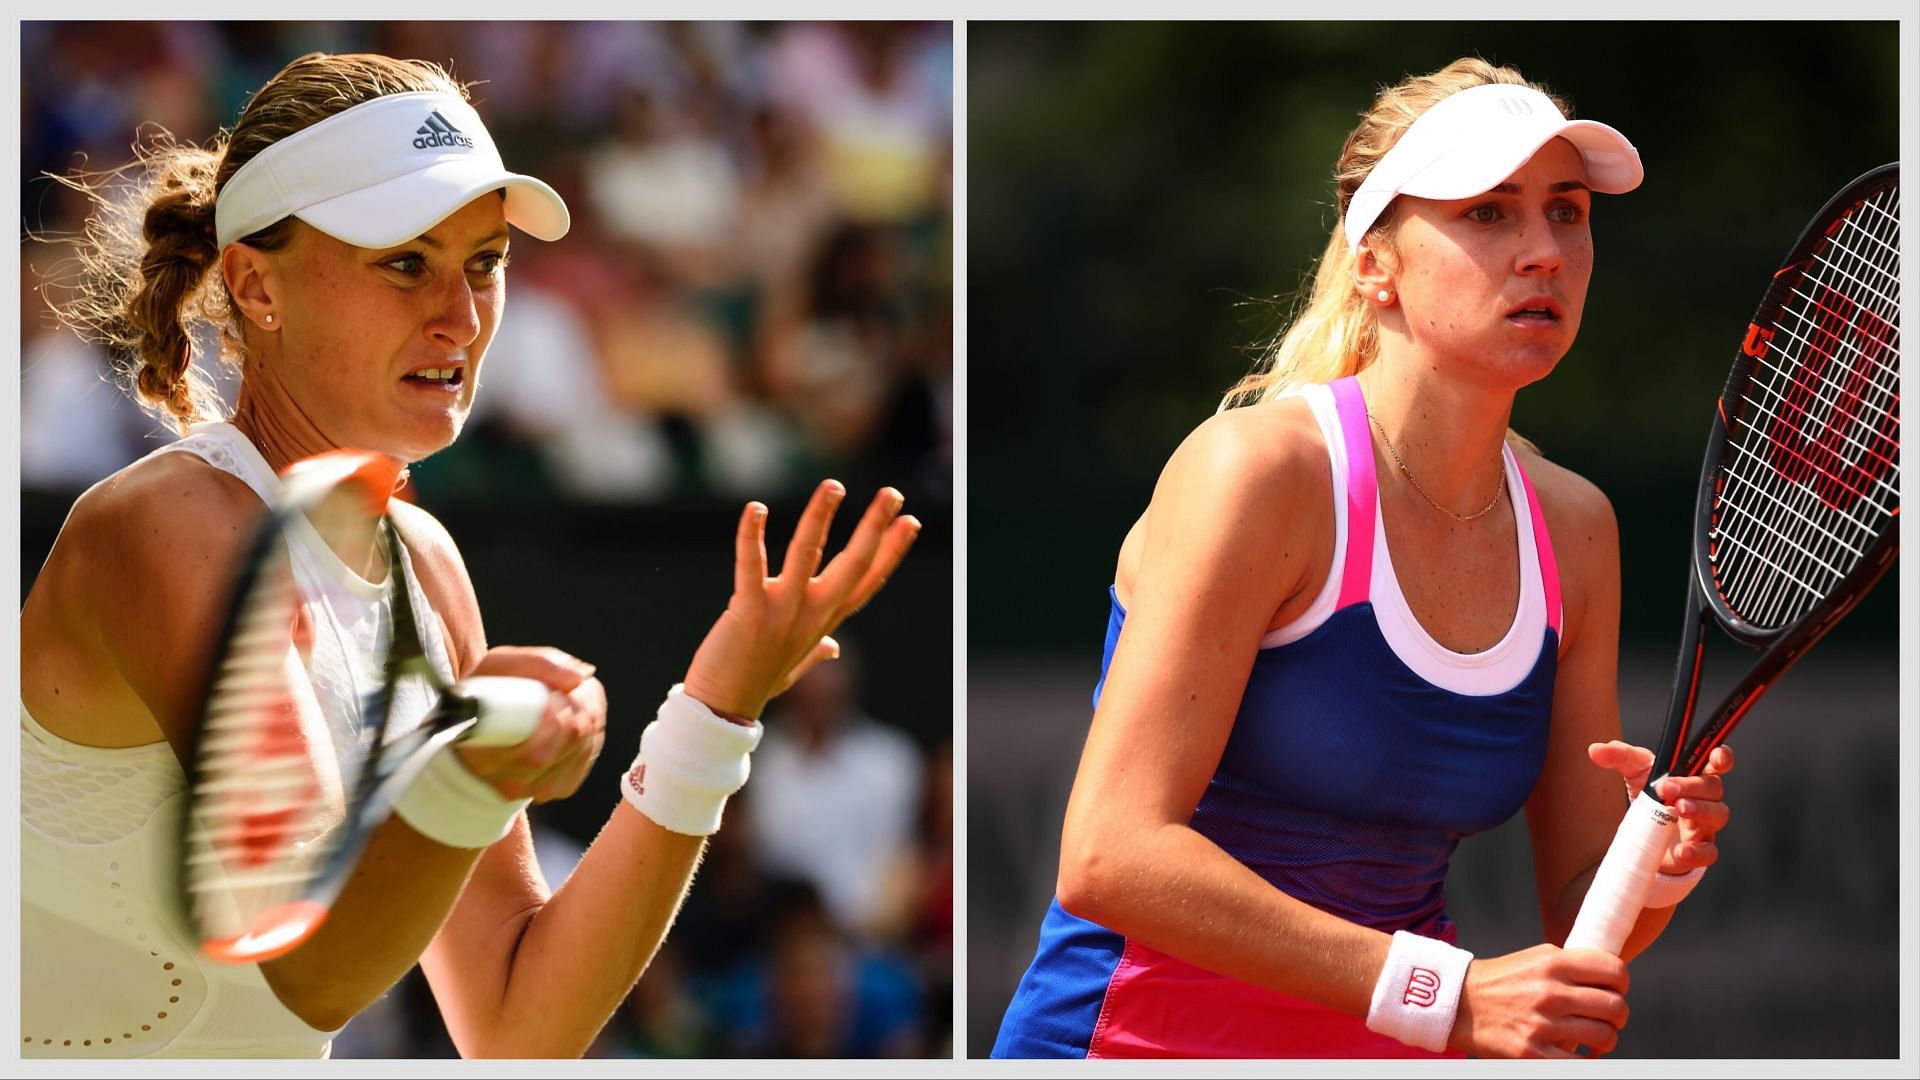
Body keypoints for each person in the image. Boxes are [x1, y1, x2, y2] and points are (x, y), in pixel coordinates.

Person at [20, 51, 918, 1059]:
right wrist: (465, 770)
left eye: (483, 261)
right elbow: (306, 969)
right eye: (406, 261)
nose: (461, 314)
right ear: (256, 285)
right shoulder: (167, 530)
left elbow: (516, 1026)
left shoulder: (426, 564)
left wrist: (714, 714)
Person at [991, 58, 1736, 1060]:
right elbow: (1108, 855)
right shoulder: (1255, 476)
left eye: (1567, 212)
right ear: (1376, 264)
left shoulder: (1577, 530)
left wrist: (1658, 866)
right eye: (1487, 215)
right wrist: (1448, 995)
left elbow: (1578, 912)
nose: (1545, 251)